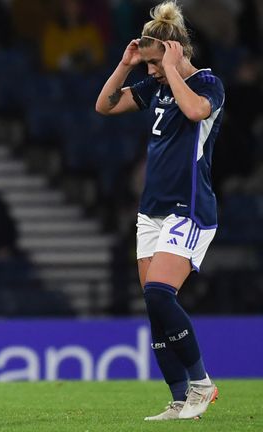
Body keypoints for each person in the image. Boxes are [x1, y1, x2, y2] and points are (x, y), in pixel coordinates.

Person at [95, 1, 222, 422]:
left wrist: (167, 68)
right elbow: (105, 106)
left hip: (189, 208)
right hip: (151, 211)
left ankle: (202, 385)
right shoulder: (153, 84)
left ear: (173, 51)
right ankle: (179, 398)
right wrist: (126, 64)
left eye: (154, 62)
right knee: (154, 309)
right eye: (147, 64)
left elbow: (194, 112)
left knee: (159, 294)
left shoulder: (207, 84)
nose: (149, 71)